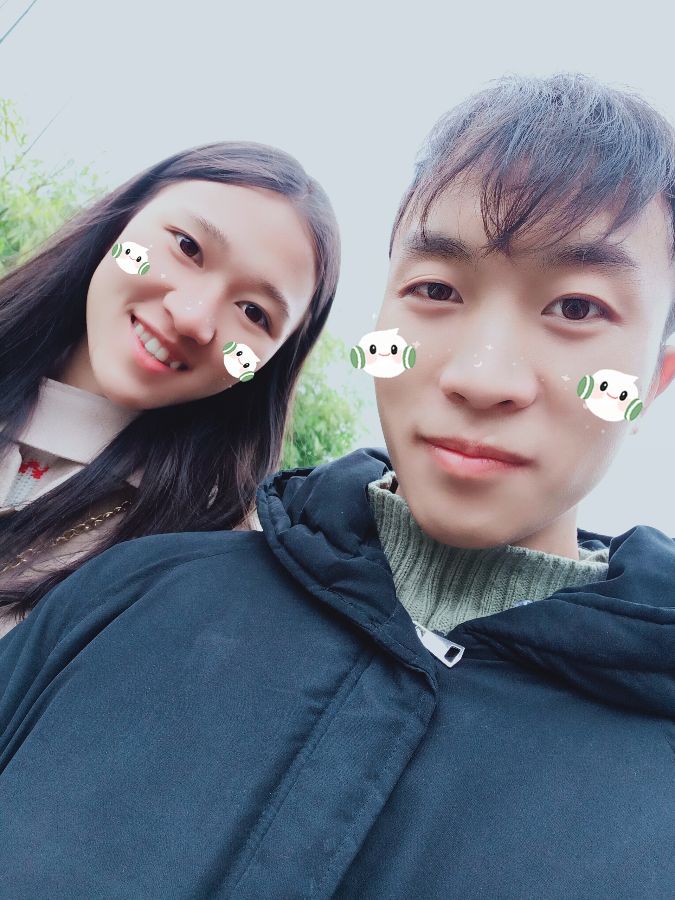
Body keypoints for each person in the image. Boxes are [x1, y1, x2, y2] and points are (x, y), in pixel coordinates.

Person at [1, 72, 674, 899]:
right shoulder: (137, 594)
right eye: (435, 290)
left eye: (575, 308)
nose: (479, 376)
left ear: (654, 379)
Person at [0, 141, 340, 636]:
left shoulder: (209, 560)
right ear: (126, 218)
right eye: (187, 247)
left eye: (254, 313)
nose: (191, 317)